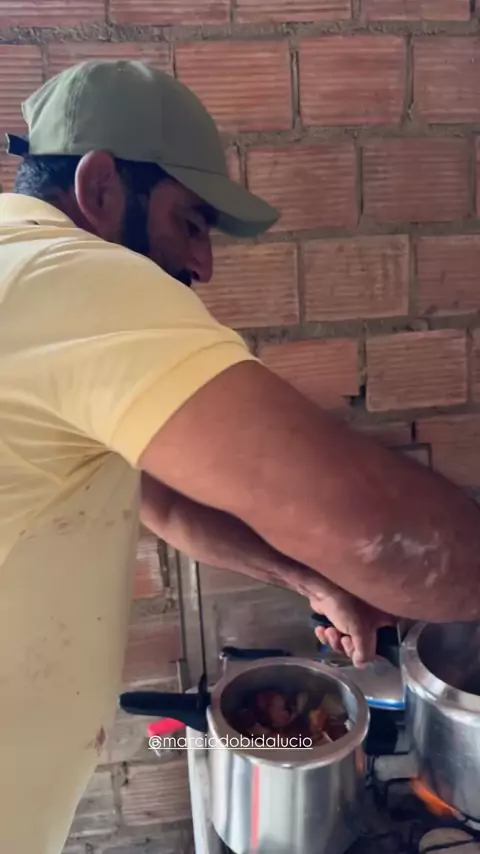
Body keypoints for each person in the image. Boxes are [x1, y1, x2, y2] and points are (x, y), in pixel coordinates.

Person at [1, 59, 479, 854]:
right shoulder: (68, 276)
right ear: (100, 188)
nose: (204, 265)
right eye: (189, 222)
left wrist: (316, 580)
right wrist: (364, 558)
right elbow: (382, 532)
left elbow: (159, 497)